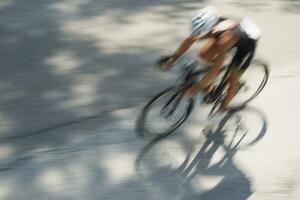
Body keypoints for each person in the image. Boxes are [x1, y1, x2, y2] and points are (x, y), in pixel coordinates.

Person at [160, 6, 261, 120]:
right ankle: (211, 87)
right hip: (226, 34)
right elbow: (190, 39)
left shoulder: (223, 39)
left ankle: (222, 110)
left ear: (210, 29)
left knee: (232, 80)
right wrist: (173, 58)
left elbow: (215, 69)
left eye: (202, 33)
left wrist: (195, 89)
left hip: (246, 45)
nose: (199, 36)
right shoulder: (209, 24)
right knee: (203, 56)